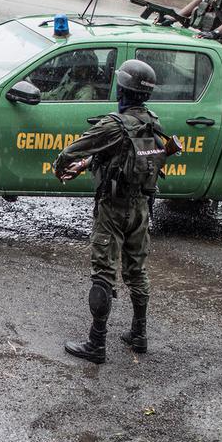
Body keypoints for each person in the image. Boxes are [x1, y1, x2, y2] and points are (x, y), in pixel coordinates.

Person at [53, 60, 167, 363]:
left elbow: (73, 149)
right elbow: (125, 155)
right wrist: (87, 165)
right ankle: (139, 334)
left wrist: (61, 165)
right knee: (136, 271)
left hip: (113, 209)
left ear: (122, 89)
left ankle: (96, 343)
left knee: (103, 273)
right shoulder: (151, 122)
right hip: (141, 208)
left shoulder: (114, 124)